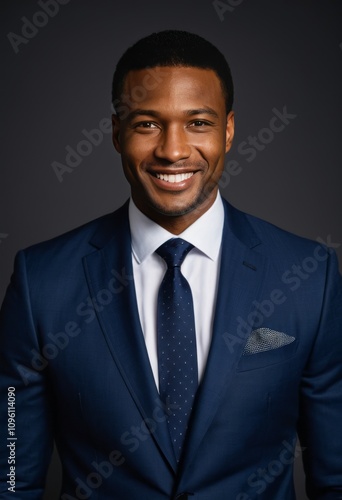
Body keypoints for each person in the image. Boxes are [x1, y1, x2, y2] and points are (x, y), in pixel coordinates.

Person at [0, 30, 341, 500]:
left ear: (229, 129)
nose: (173, 150)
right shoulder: (42, 283)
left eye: (198, 123)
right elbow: (12, 475)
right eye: (147, 124)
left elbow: (337, 478)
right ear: (116, 133)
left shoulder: (309, 276)